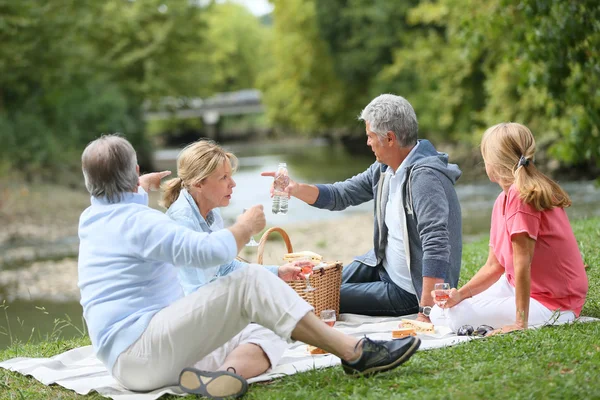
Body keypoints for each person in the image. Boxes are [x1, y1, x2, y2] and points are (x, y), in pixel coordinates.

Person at [78, 134, 421, 399]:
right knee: (251, 279)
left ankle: (225, 378)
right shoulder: (140, 222)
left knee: (272, 327)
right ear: (135, 172)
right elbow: (205, 254)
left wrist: (138, 187)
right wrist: (245, 227)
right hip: (143, 351)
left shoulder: (93, 218)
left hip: (138, 361)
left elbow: (118, 208)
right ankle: (354, 353)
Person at [262, 94, 462, 324]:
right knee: (316, 284)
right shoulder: (384, 169)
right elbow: (341, 194)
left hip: (409, 291)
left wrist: (426, 311)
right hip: (379, 266)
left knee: (315, 296)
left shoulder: (425, 178)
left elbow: (436, 242)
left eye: (370, 136)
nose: (367, 142)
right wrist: (295, 188)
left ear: (389, 138)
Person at [161, 139, 301, 380]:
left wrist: (277, 272)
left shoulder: (210, 211)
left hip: (204, 313)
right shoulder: (182, 220)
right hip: (186, 323)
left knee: (274, 327)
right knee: (273, 329)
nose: (233, 183)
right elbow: (198, 288)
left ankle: (222, 378)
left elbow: (225, 265)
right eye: (223, 177)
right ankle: (223, 375)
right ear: (199, 182)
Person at [430, 122, 588, 334]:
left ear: (493, 164)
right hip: (517, 286)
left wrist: (519, 323)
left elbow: (523, 264)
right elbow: (494, 266)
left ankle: (526, 317)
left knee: (455, 316)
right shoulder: (501, 200)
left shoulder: (522, 196)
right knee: (439, 312)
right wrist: (460, 294)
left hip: (555, 303)